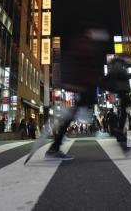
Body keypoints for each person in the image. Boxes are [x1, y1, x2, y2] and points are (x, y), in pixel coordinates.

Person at [45, 26, 111, 160]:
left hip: (82, 85)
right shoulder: (84, 44)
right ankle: (55, 147)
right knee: (74, 112)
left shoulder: (82, 44)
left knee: (75, 112)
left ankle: (55, 146)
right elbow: (81, 66)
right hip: (82, 85)